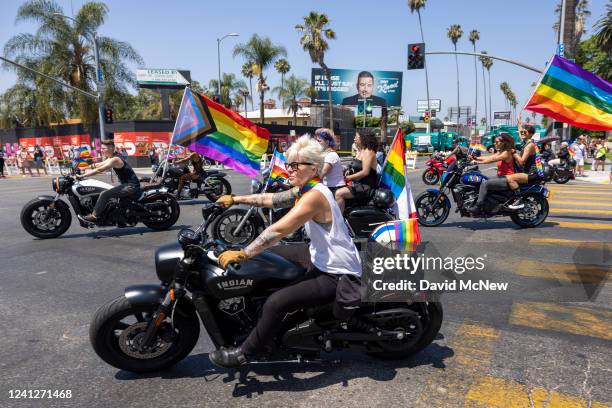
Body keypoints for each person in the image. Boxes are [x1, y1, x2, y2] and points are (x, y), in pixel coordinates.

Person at [209, 135, 362, 368]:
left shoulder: (314, 196)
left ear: (312, 167)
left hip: (336, 270)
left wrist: (245, 252)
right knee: (270, 257)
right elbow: (272, 199)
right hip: (318, 254)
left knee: (276, 302)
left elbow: (279, 229)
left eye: (294, 165)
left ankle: (245, 353)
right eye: (288, 164)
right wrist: (235, 199)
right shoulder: (306, 188)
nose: (288, 170)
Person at [77, 141, 141, 223]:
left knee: (104, 194)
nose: (101, 150)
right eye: (101, 148)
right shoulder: (112, 157)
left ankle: (94, 216)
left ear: (111, 148)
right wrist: (83, 168)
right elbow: (99, 165)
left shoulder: (115, 159)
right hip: (126, 184)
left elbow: (100, 169)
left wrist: (83, 176)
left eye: (103, 148)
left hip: (131, 186)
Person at [466, 133, 519, 214]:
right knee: (483, 179)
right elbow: (489, 157)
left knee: (485, 184)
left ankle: (477, 206)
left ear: (504, 143)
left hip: (507, 179)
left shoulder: (506, 153)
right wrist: (476, 158)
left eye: (497, 142)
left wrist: (477, 162)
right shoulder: (501, 152)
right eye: (494, 142)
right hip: (501, 177)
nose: (494, 144)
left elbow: (492, 160)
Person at [334, 131, 378, 211]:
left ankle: (339, 221)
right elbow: (354, 166)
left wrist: (348, 178)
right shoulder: (361, 151)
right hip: (357, 184)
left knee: (339, 193)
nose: (354, 139)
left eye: (356, 137)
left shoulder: (369, 152)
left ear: (363, 138)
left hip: (365, 187)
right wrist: (348, 170)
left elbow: (365, 172)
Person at [505, 124, 542, 191]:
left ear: (531, 134)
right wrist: (519, 123)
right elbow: (520, 133)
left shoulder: (529, 145)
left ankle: (518, 196)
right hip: (527, 171)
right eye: (522, 132)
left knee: (509, 179)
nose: (522, 133)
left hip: (530, 173)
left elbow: (522, 161)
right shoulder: (527, 142)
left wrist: (513, 152)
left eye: (525, 132)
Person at [314, 128, 345, 195]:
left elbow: (324, 171)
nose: (317, 143)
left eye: (319, 141)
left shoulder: (330, 155)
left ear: (327, 142)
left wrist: (312, 182)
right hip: (330, 187)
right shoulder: (327, 154)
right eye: (316, 141)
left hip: (334, 188)